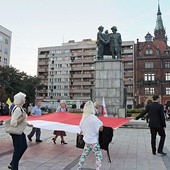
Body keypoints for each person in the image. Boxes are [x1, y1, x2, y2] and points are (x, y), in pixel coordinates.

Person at [7, 92, 33, 170]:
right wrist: (23, 117)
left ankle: (13, 163)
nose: (25, 100)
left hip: (19, 131)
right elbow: (13, 122)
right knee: (17, 150)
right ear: (21, 100)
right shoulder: (18, 109)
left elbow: (23, 120)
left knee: (24, 147)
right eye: (24, 98)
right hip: (16, 132)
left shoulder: (20, 108)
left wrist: (28, 124)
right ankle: (14, 167)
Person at [77, 100, 103, 170]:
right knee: (99, 156)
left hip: (87, 140)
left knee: (84, 155)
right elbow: (100, 128)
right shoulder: (94, 118)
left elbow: (81, 128)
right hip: (94, 141)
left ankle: (78, 167)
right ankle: (98, 168)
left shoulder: (83, 118)